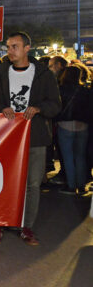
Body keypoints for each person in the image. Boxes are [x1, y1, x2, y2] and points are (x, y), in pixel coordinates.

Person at [0, 32, 61, 246]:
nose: (10, 51)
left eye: (14, 46)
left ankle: (26, 226)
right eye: (8, 46)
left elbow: (55, 105)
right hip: (6, 137)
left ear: (27, 48)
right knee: (3, 182)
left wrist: (39, 109)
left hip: (35, 137)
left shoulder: (43, 75)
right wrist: (1, 108)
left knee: (32, 184)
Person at [55, 66, 90, 194]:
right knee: (80, 156)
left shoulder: (60, 90)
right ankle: (81, 186)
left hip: (65, 125)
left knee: (68, 156)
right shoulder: (85, 90)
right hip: (83, 126)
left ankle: (70, 185)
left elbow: (56, 107)